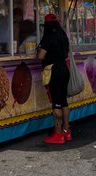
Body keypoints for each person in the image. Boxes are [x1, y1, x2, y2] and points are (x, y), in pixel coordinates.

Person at [37, 13, 71, 144]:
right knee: (63, 101)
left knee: (56, 102)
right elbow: (66, 53)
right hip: (63, 68)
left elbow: (41, 56)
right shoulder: (63, 36)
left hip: (53, 71)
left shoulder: (48, 37)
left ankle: (58, 134)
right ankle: (66, 131)